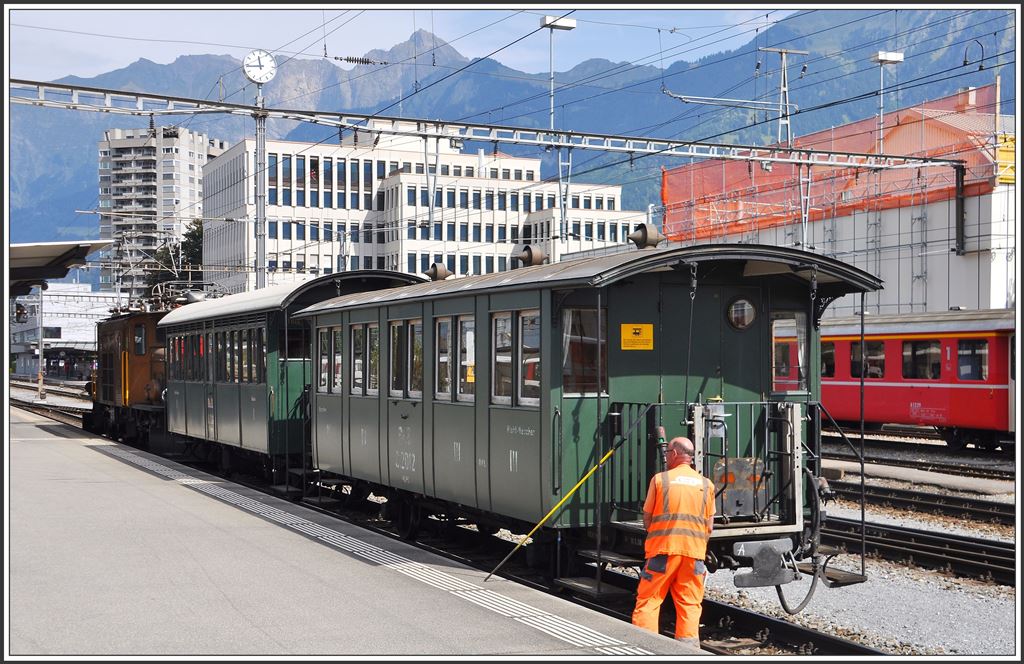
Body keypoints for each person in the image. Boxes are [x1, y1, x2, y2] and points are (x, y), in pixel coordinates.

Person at [631, 428, 715, 647]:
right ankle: (688, 650)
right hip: (694, 554)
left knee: (649, 600)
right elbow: (709, 526)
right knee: (689, 603)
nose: (666, 456)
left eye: (667, 452)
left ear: (675, 454)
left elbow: (647, 518)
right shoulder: (707, 485)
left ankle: (643, 647)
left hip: (663, 551)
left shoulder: (661, 480)